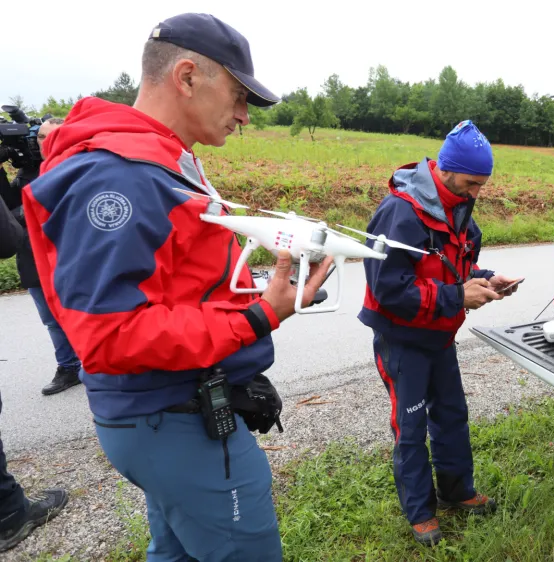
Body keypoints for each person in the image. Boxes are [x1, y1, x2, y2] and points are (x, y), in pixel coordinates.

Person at [21, 13, 332, 561]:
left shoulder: (162, 159)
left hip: (171, 410)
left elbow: (172, 284)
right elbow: (110, 334)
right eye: (238, 95)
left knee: (176, 550)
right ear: (187, 76)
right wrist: (258, 318)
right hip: (172, 416)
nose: (242, 116)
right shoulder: (119, 175)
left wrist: (266, 292)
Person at [358, 120, 521, 546]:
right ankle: (421, 512)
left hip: (440, 336)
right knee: (410, 428)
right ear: (446, 170)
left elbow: (457, 272)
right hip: (402, 340)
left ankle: (457, 492)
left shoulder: (461, 209)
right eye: (471, 183)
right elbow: (388, 289)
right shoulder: (401, 212)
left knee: (452, 416)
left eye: (482, 185)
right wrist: (457, 296)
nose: (477, 193)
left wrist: (486, 280)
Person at [0, 185, 68, 553]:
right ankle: (10, 513)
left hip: (54, 264)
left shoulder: (60, 171)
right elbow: (8, 233)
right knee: (53, 323)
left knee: (64, 321)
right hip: (34, 266)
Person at [0, 117, 82, 396]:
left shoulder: (79, 166)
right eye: (41, 137)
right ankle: (69, 366)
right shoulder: (26, 173)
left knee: (81, 313)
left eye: (52, 136)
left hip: (69, 257)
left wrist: (27, 214)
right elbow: (9, 211)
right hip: (33, 257)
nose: (45, 143)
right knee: (50, 319)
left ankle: (96, 363)